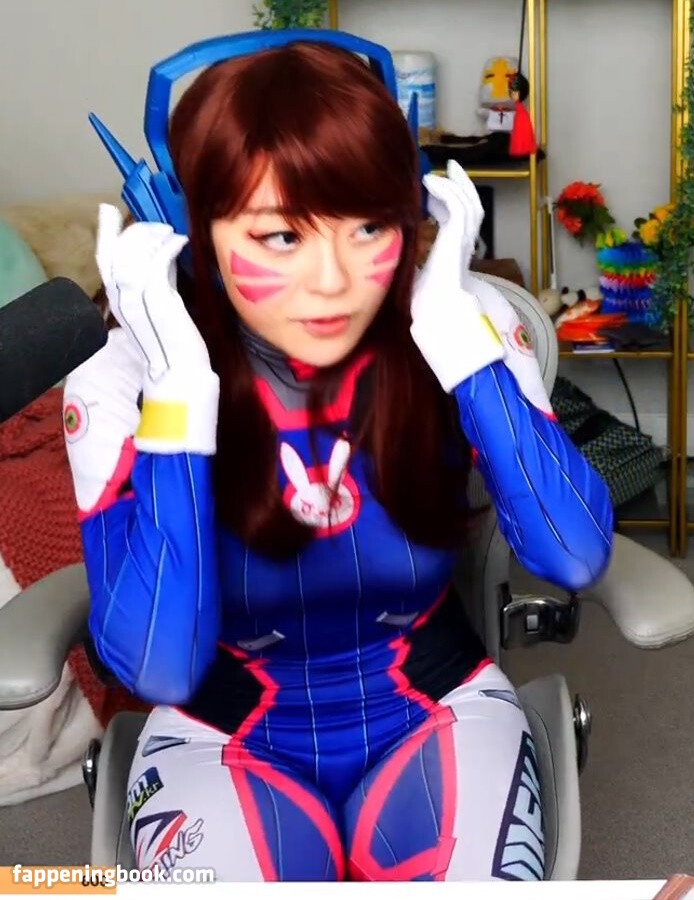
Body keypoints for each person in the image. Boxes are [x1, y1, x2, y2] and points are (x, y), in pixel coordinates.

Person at [63, 38, 613, 882]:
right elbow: (160, 666)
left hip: (436, 708)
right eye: (281, 235)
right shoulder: (120, 375)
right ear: (190, 232)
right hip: (219, 735)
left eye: (367, 226)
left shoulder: (455, 320)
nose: (335, 280)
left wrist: (459, 343)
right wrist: (178, 394)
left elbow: (572, 554)